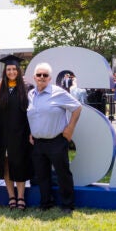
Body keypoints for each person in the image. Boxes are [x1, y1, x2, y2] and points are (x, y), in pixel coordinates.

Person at [27, 62, 82, 212]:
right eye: (39, 75)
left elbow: (77, 108)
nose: (42, 77)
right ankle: (46, 203)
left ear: (50, 78)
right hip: (38, 143)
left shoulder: (58, 93)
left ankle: (67, 205)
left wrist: (70, 128)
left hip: (57, 141)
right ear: (34, 77)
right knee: (42, 175)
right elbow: (33, 115)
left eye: (45, 75)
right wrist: (31, 132)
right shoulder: (31, 95)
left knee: (62, 174)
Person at [0, 55, 32, 210]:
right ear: (5, 71)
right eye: (8, 69)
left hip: (20, 134)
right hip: (3, 135)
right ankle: (11, 197)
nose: (11, 72)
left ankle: (21, 197)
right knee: (6, 165)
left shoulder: (26, 88)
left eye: (14, 69)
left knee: (20, 164)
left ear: (18, 70)